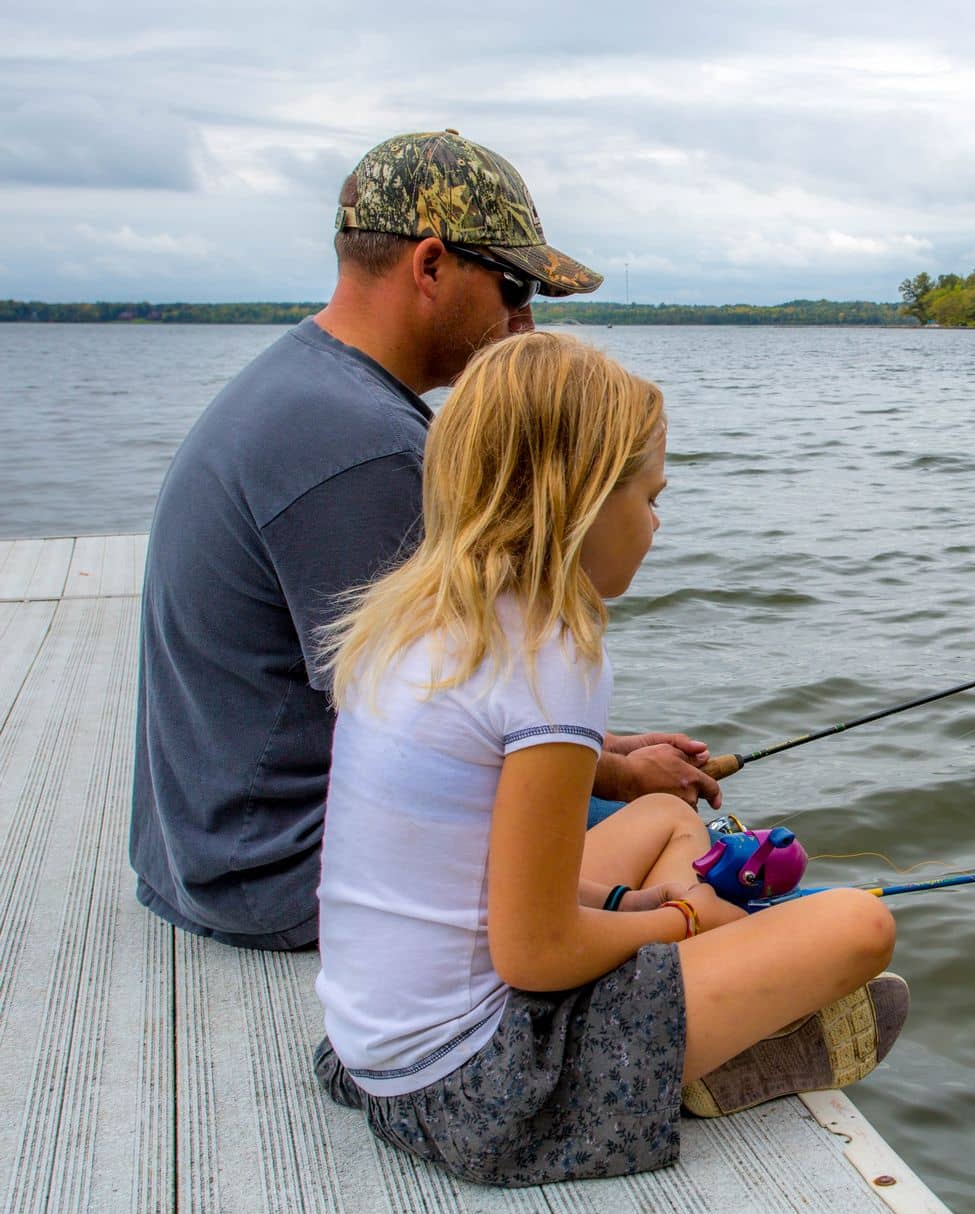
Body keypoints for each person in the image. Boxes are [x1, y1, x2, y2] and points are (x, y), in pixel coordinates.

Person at [308, 332, 907, 1186]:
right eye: (650, 497)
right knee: (860, 925)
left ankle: (722, 1010)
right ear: (581, 499)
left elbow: (464, 870)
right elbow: (537, 956)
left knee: (664, 813)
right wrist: (690, 920)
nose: (658, 522)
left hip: (374, 1044)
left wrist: (627, 901)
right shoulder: (551, 657)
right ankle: (708, 1056)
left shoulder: (413, 621)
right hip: (476, 1081)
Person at [131, 130, 719, 951]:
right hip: (285, 872)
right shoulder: (363, 448)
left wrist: (611, 745)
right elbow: (423, 725)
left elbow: (432, 706)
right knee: (690, 853)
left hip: (220, 845)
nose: (526, 321)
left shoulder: (313, 388)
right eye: (515, 285)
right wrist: (617, 773)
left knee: (646, 816)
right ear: (431, 264)